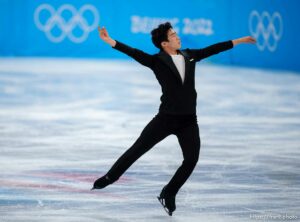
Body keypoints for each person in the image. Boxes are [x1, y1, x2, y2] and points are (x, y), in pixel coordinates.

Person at [92, 22, 256, 216]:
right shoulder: (156, 61)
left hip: (188, 120)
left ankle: (169, 192)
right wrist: (109, 40)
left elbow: (213, 49)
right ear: (164, 43)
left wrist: (239, 41)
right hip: (165, 119)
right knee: (137, 149)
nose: (178, 37)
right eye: (173, 35)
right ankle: (111, 177)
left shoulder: (190, 55)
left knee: (191, 160)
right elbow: (133, 52)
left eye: (176, 33)